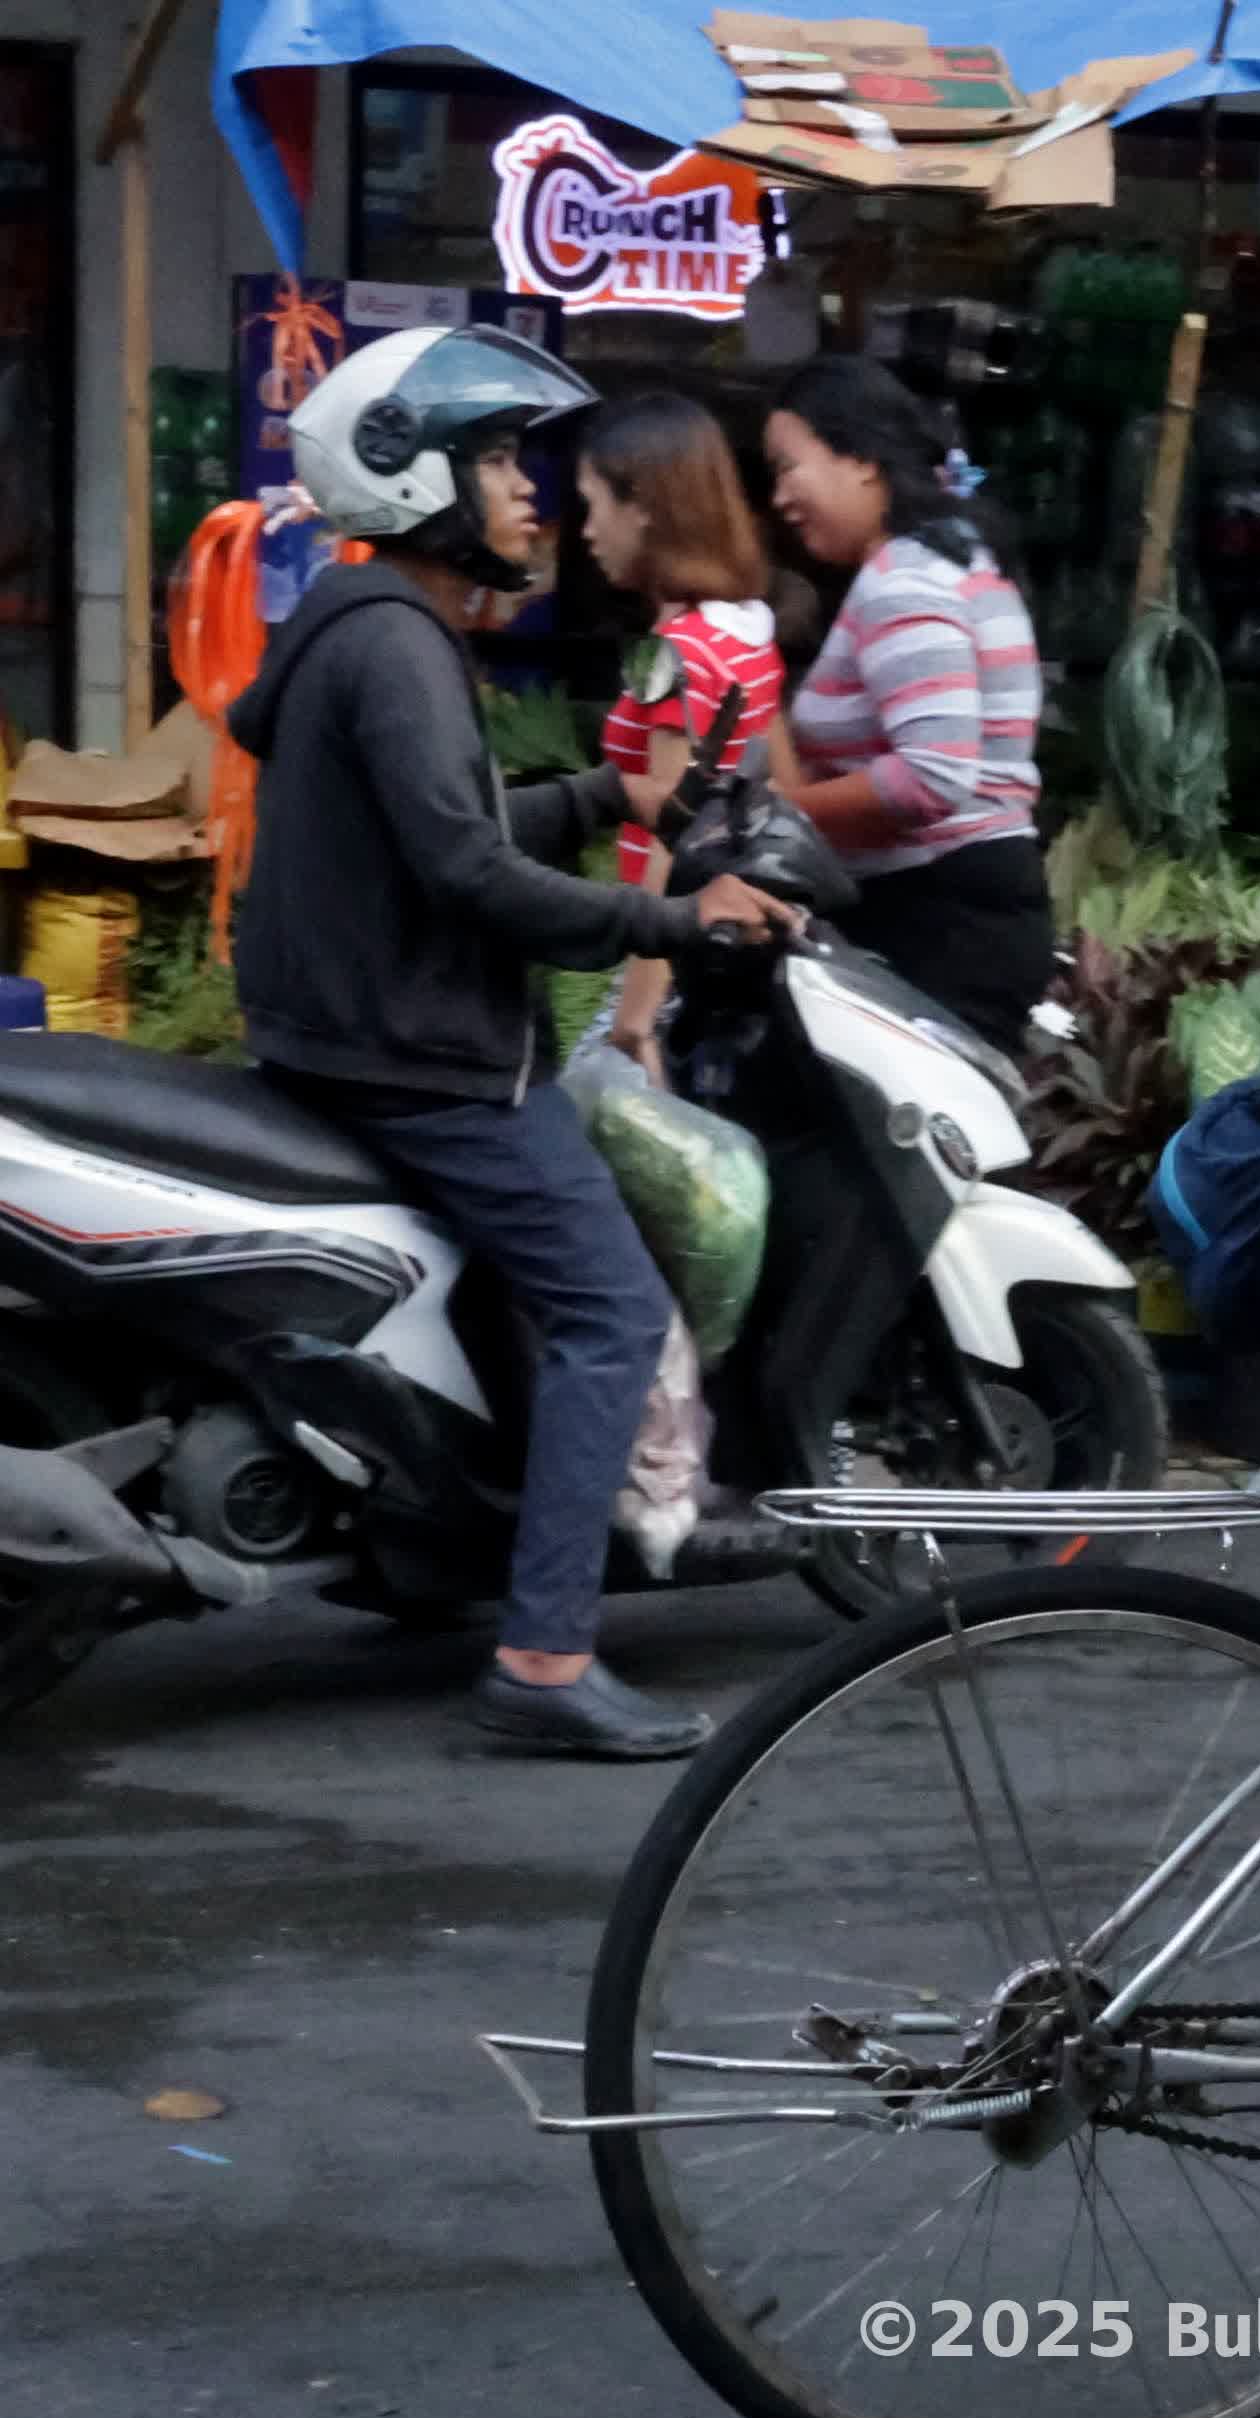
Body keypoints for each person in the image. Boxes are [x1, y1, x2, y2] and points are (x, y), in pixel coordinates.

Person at [228, 325, 794, 1760]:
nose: (528, 494)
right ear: (413, 483)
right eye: (493, 462)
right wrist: (680, 924)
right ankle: (546, 1653)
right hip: (429, 1059)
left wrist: (600, 793)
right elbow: (467, 885)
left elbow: (452, 834)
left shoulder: (359, 634)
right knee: (611, 1308)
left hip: (349, 1039)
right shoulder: (400, 646)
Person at [765, 359, 1051, 1056]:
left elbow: (931, 777)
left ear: (861, 459)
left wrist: (778, 809)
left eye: (787, 466)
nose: (778, 496)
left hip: (939, 923)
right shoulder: (953, 561)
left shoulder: (904, 581)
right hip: (963, 909)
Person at [577, 391, 791, 1084]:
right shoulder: (747, 629)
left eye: (594, 504)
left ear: (643, 504)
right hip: (711, 949)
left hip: (655, 962)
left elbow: (671, 826)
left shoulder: (674, 655)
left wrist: (633, 1020)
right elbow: (777, 785)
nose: (586, 531)